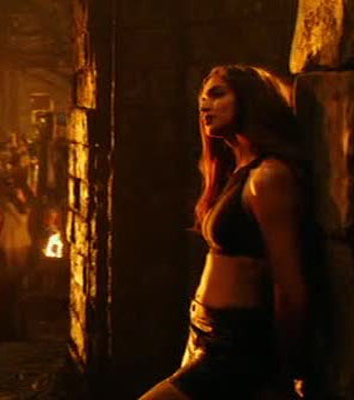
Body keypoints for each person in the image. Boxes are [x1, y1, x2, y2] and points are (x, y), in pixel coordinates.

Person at [140, 65, 310, 399]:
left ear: (250, 100)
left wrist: (293, 368)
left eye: (218, 94)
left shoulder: (268, 176)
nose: (205, 105)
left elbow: (289, 285)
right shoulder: (237, 173)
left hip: (236, 348)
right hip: (207, 336)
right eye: (202, 99)